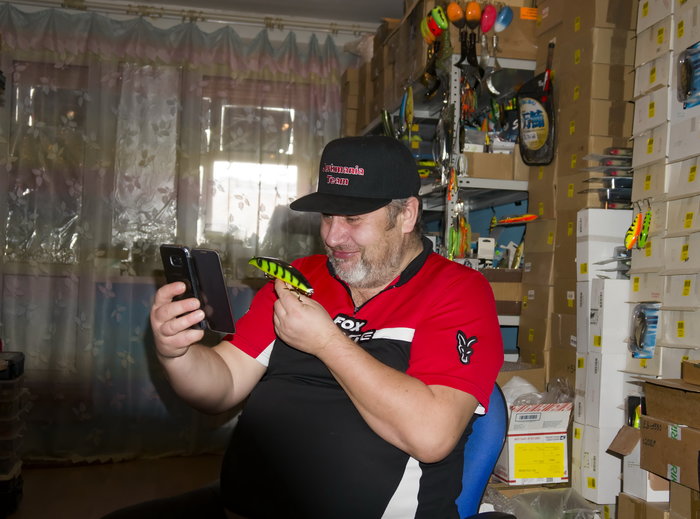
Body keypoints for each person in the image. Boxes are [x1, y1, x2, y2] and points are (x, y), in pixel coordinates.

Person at [104, 135, 504, 519]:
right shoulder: (299, 277)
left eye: (353, 218)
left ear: (406, 215)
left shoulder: (457, 291)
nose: (332, 235)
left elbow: (432, 436)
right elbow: (223, 383)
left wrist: (327, 342)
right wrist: (176, 353)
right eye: (327, 215)